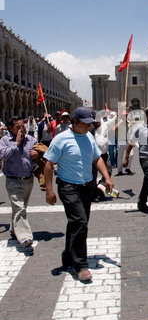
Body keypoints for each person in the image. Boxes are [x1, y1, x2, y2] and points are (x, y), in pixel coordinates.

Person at [43, 107, 113, 283]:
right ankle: (80, 265)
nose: (89, 127)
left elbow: (97, 158)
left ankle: (68, 256)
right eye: (85, 124)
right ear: (75, 122)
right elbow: (48, 164)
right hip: (68, 187)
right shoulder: (61, 139)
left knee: (77, 223)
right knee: (80, 222)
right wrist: (49, 190)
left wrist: (106, 177)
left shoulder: (88, 137)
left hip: (86, 186)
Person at [0, 116, 39, 248]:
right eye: (18, 127)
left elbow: (41, 153)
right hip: (13, 181)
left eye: (23, 126)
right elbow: (3, 155)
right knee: (19, 208)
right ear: (10, 128)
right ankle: (25, 237)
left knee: (19, 209)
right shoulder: (5, 140)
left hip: (28, 180)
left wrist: (37, 154)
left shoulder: (31, 140)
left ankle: (13, 229)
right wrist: (16, 143)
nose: (21, 129)